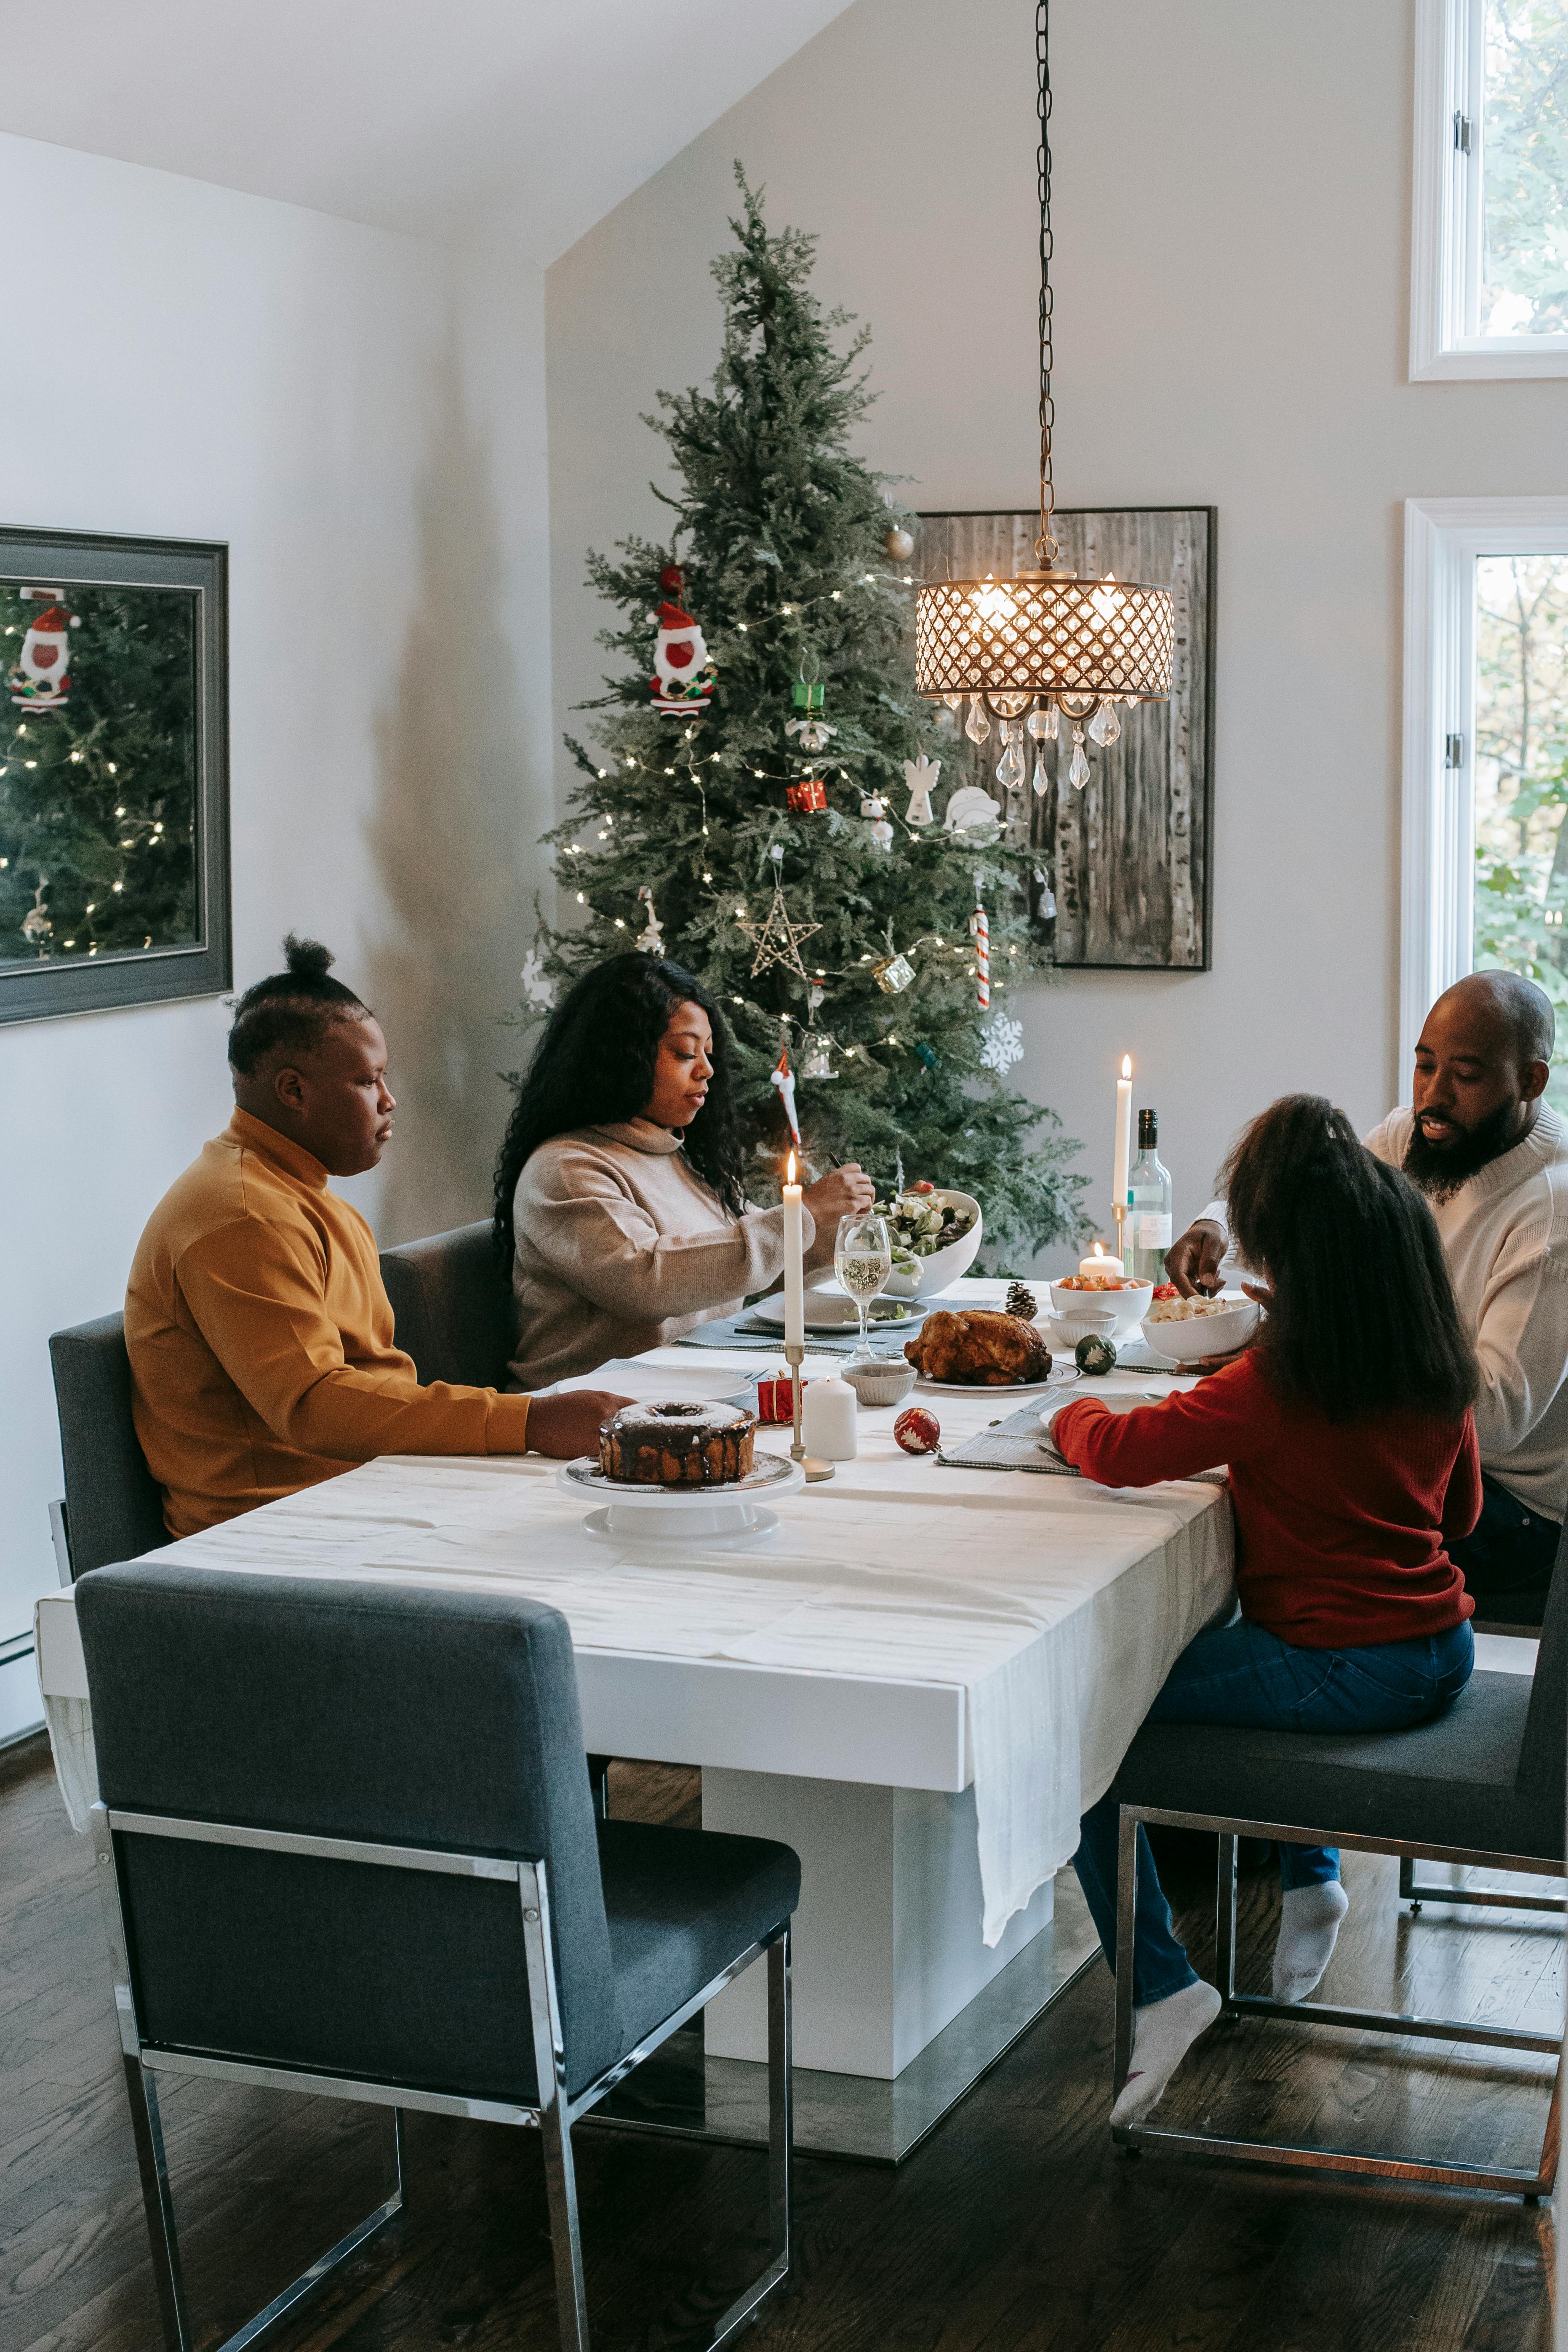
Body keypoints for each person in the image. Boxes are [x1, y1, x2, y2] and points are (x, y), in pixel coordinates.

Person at [1050, 1094, 1480, 2125]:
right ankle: (1311, 1874)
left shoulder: (1276, 1381)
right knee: (1231, 1639)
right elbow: (1458, 1513)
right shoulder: (1436, 1369)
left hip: (1345, 1670)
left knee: (1079, 1730)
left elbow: (1121, 1452)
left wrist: (1065, 1411)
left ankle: (1163, 1989)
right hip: (1442, 1649)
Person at [126, 937, 627, 1538]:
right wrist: (531, 1421)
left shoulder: (295, 1189)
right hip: (274, 1531)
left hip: (365, 1488)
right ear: (293, 1091)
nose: (390, 1101)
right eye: (368, 1082)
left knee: (614, 1507)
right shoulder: (242, 1215)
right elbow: (315, 1405)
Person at [1166, 973, 1568, 1624]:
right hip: (1419, 1446)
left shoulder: (1555, 1210)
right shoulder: (1412, 1136)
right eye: (1424, 1064)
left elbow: (1493, 1418)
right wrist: (1221, 1222)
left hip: (1514, 1511)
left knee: (1258, 1484)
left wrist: (1317, 1348)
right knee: (1221, 1466)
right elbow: (1312, 1190)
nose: (1433, 1096)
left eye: (1465, 1074)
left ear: (1531, 1082)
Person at [496, 953, 876, 1387]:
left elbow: (763, 1266)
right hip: (585, 1414)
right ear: (622, 1057)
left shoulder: (683, 1158)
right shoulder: (566, 1169)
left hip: (693, 1393)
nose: (707, 1070)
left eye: (707, 1054)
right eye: (683, 1053)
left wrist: (842, 1232)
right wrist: (801, 1214)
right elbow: (644, 1282)